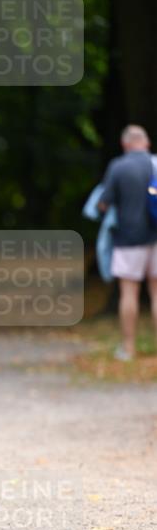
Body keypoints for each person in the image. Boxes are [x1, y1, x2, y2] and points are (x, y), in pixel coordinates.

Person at [98, 125, 157, 360]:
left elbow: (103, 203)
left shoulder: (119, 167)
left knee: (129, 292)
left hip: (129, 238)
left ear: (125, 144)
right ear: (146, 142)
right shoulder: (156, 164)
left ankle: (129, 348)